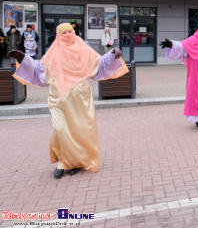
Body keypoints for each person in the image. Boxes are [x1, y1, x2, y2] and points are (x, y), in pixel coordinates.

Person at [9, 23, 127, 179]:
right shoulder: (53, 51)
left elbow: (98, 64)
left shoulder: (83, 48)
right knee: (60, 129)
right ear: (58, 35)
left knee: (79, 130)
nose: (68, 35)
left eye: (70, 32)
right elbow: (39, 70)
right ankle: (62, 161)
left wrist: (112, 55)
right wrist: (24, 59)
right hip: (57, 96)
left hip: (80, 97)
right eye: (64, 32)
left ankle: (75, 162)